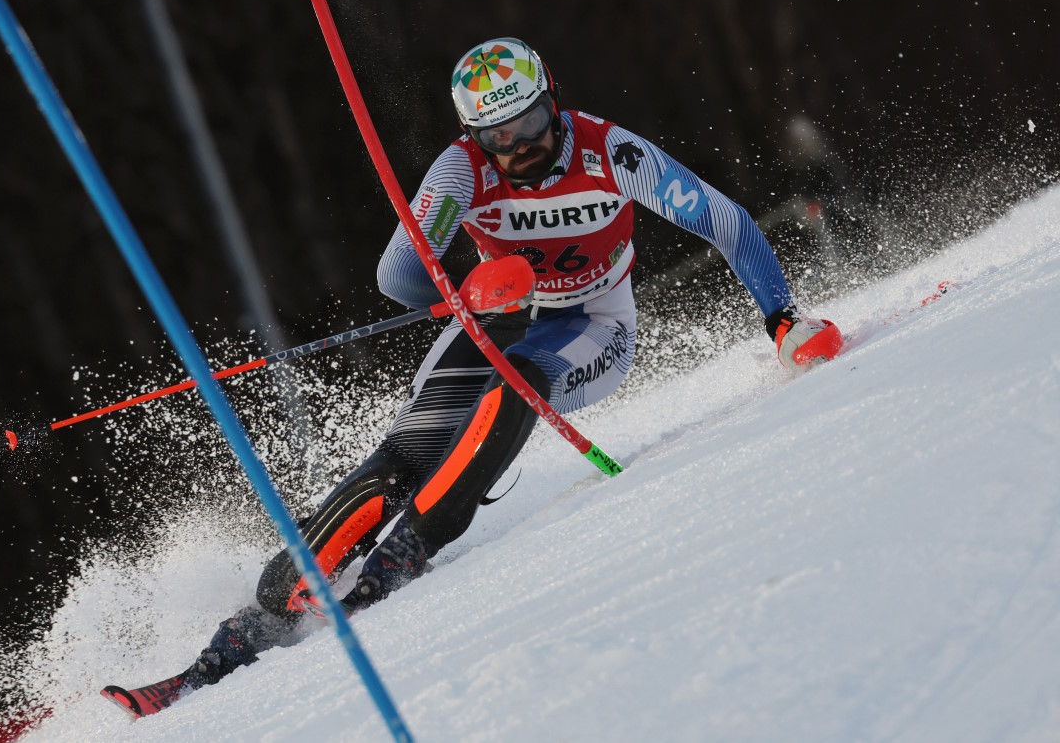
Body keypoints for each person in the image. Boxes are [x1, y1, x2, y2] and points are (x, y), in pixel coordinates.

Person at [103, 37, 843, 713]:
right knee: (403, 456)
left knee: (518, 377)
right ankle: (256, 615)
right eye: (496, 136)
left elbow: (726, 221)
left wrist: (781, 320)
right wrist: (458, 293)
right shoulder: (462, 170)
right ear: (472, 133)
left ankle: (407, 550)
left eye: (527, 124)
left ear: (551, 99)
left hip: (594, 325)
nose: (517, 146)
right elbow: (398, 273)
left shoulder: (608, 153)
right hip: (496, 313)